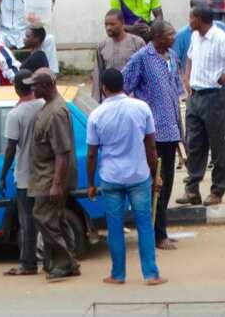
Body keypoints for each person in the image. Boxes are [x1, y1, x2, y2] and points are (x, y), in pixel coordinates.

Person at [86, 68, 166, 286]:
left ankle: (118, 274)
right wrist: (154, 173)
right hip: (139, 176)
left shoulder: (96, 114)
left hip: (111, 177)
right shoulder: (141, 108)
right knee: (144, 225)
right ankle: (151, 274)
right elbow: (151, 146)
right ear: (124, 85)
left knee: (114, 227)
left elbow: (92, 154)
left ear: (103, 88)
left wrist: (91, 183)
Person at [178, 5, 225, 207]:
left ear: (199, 19)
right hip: (195, 97)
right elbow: (190, 57)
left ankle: (217, 190)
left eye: (191, 17)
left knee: (219, 145)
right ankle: (192, 189)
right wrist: (187, 77)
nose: (189, 21)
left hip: (214, 97)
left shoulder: (220, 37)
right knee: (193, 144)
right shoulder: (194, 37)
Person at [121, 21, 182, 250]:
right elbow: (123, 85)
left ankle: (161, 228)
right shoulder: (141, 58)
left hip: (172, 131)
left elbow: (175, 90)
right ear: (156, 36)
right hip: (152, 134)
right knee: (156, 185)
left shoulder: (172, 56)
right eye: (169, 34)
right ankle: (157, 235)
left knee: (167, 183)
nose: (174, 36)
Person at [26, 68, 80, 281]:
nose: (32, 88)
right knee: (56, 218)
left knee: (43, 217)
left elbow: (62, 152)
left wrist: (57, 184)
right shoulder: (48, 107)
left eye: (36, 85)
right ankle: (66, 261)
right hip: (44, 175)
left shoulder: (56, 112)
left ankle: (65, 262)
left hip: (51, 177)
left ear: (47, 85)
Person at [0, 69, 44, 276]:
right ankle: (50, 260)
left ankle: (28, 263)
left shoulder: (15, 114)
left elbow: (10, 148)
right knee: (47, 220)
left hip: (25, 175)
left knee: (27, 222)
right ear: (33, 86)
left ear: (16, 89)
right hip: (44, 174)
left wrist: (2, 175)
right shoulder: (43, 106)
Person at [173, 0, 225, 109]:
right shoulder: (183, 35)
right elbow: (176, 61)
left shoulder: (220, 28)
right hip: (197, 94)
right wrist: (185, 79)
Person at [93, 10, 146, 102]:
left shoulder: (137, 43)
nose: (108, 28)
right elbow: (98, 74)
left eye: (112, 24)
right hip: (110, 99)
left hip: (133, 98)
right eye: (106, 25)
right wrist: (97, 100)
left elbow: (146, 72)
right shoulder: (102, 46)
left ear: (122, 23)